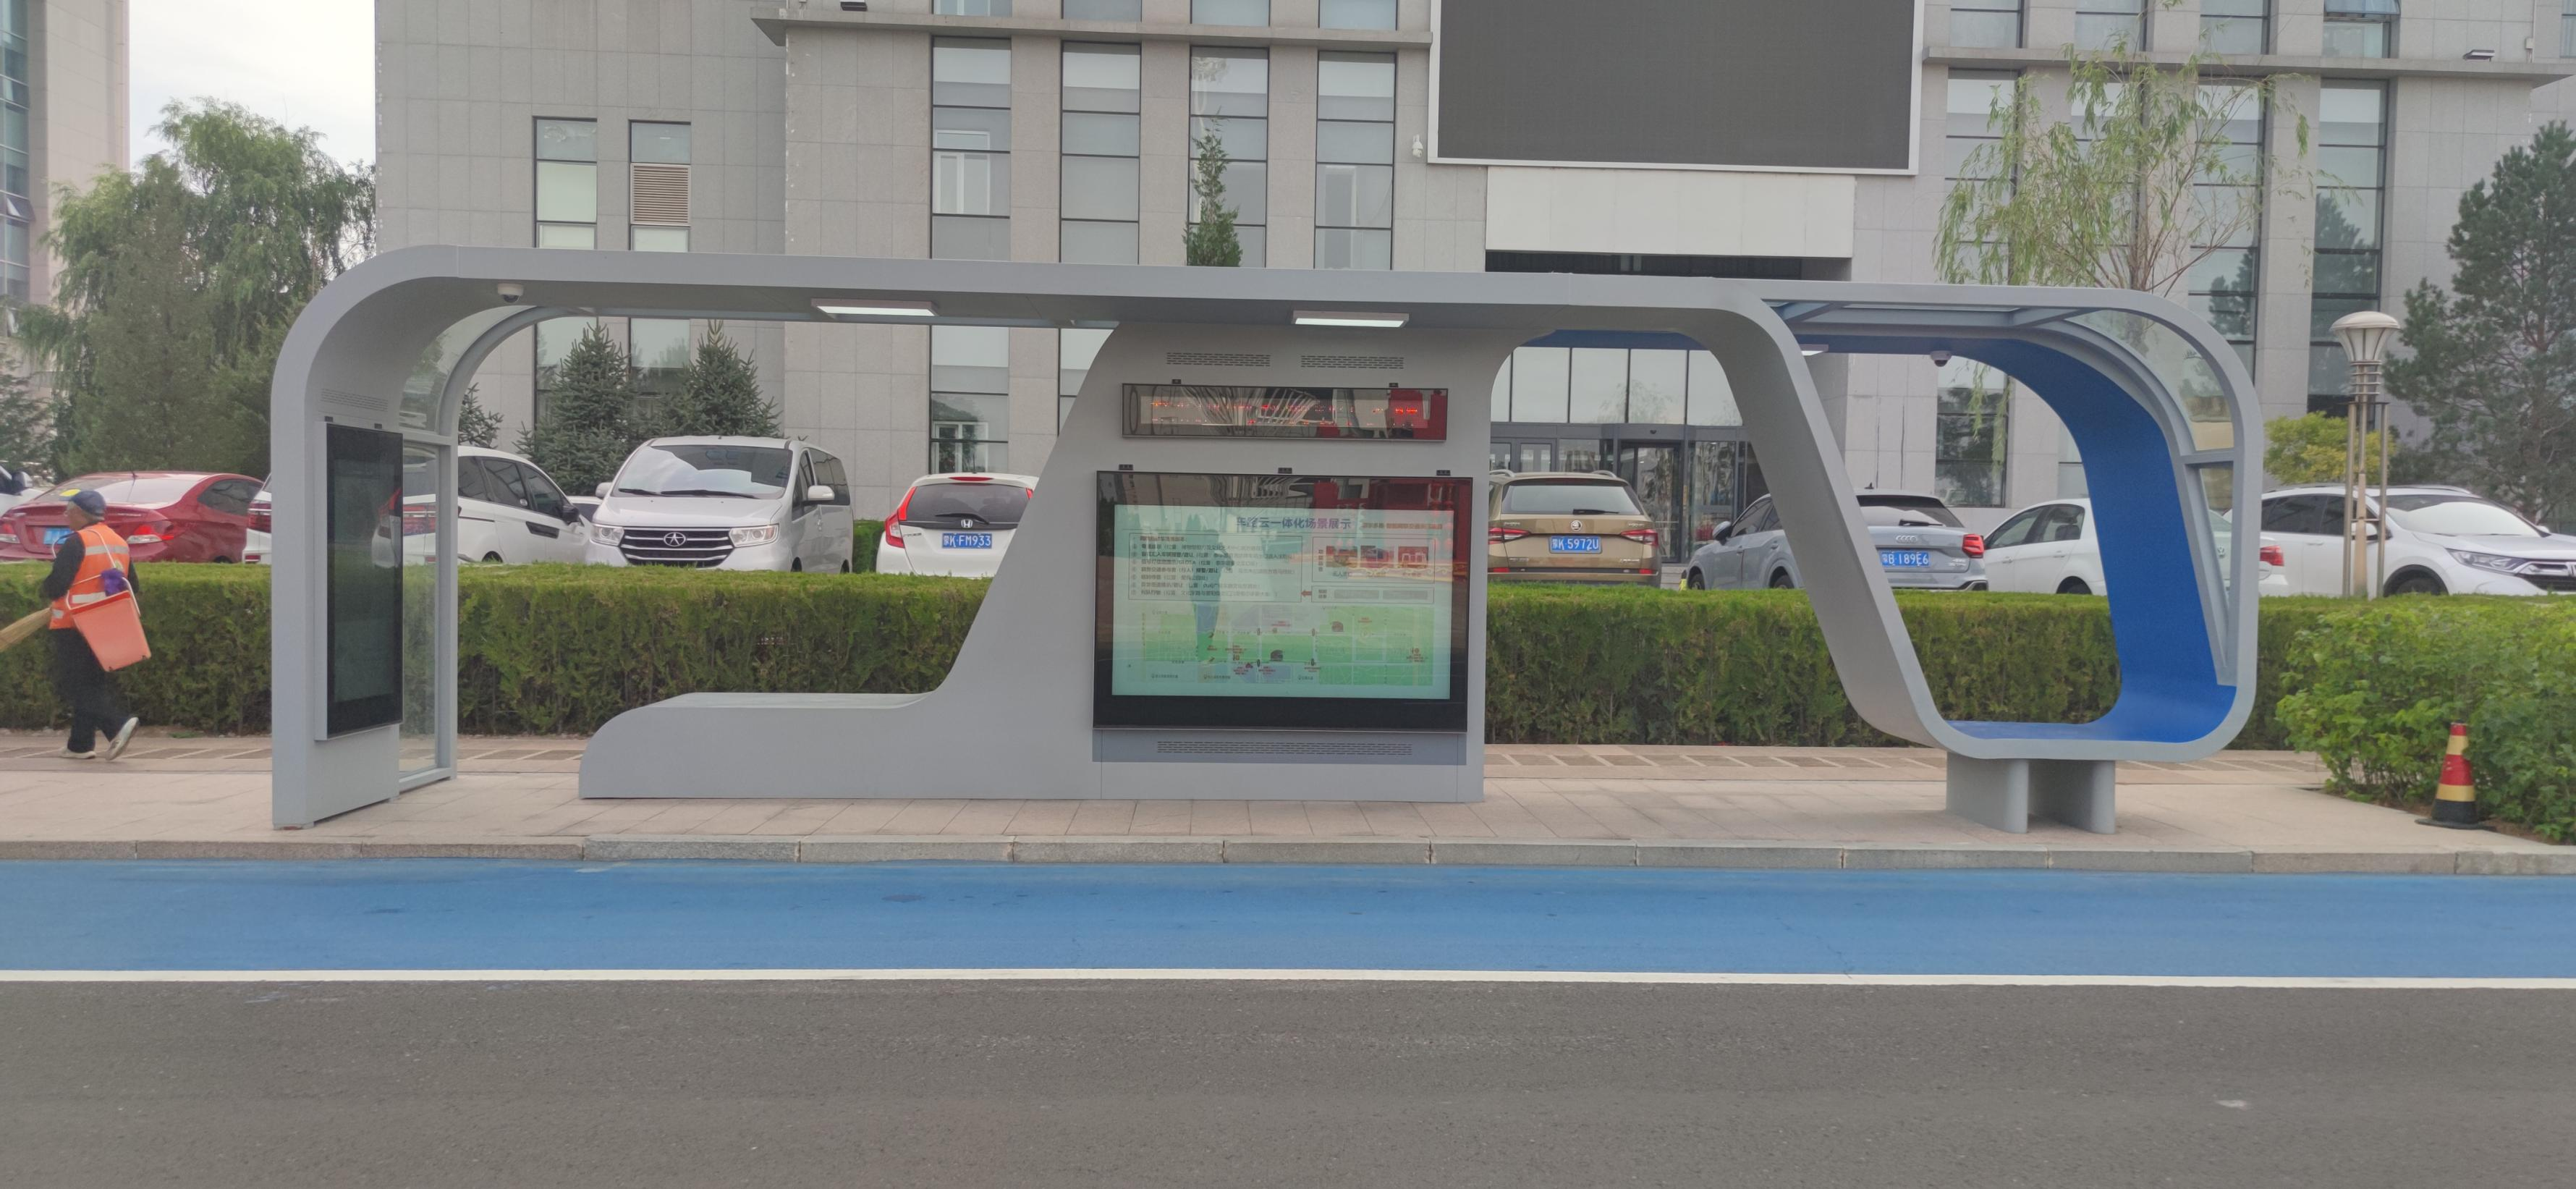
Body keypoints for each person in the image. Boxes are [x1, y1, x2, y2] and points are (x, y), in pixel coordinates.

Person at [43, 488, 140, 761]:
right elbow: (133, 584)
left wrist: (46, 588)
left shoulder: (77, 542)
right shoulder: (118, 541)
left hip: (73, 624)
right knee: (92, 684)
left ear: (79, 513)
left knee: (75, 686)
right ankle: (80, 745)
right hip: (106, 624)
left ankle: (117, 724)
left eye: (67, 511)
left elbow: (55, 586)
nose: (65, 516)